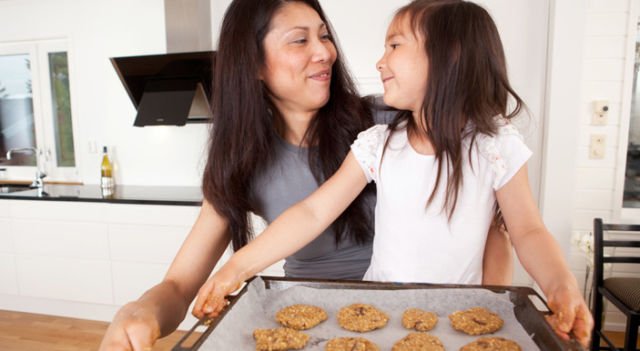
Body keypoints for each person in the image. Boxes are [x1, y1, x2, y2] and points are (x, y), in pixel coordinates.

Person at [99, 0, 513, 349]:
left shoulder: (389, 124)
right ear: (254, 65)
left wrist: (487, 315)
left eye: (324, 35)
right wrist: (142, 311)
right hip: (308, 327)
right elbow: (179, 286)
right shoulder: (239, 162)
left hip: (412, 319)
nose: (325, 52)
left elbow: (493, 223)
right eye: (300, 40)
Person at [194, 0, 594, 347]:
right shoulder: (378, 142)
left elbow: (527, 231)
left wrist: (561, 288)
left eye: (395, 45)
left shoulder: (495, 145)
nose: (379, 61)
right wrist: (237, 268)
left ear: (447, 56)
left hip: (455, 315)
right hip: (380, 314)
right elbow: (313, 213)